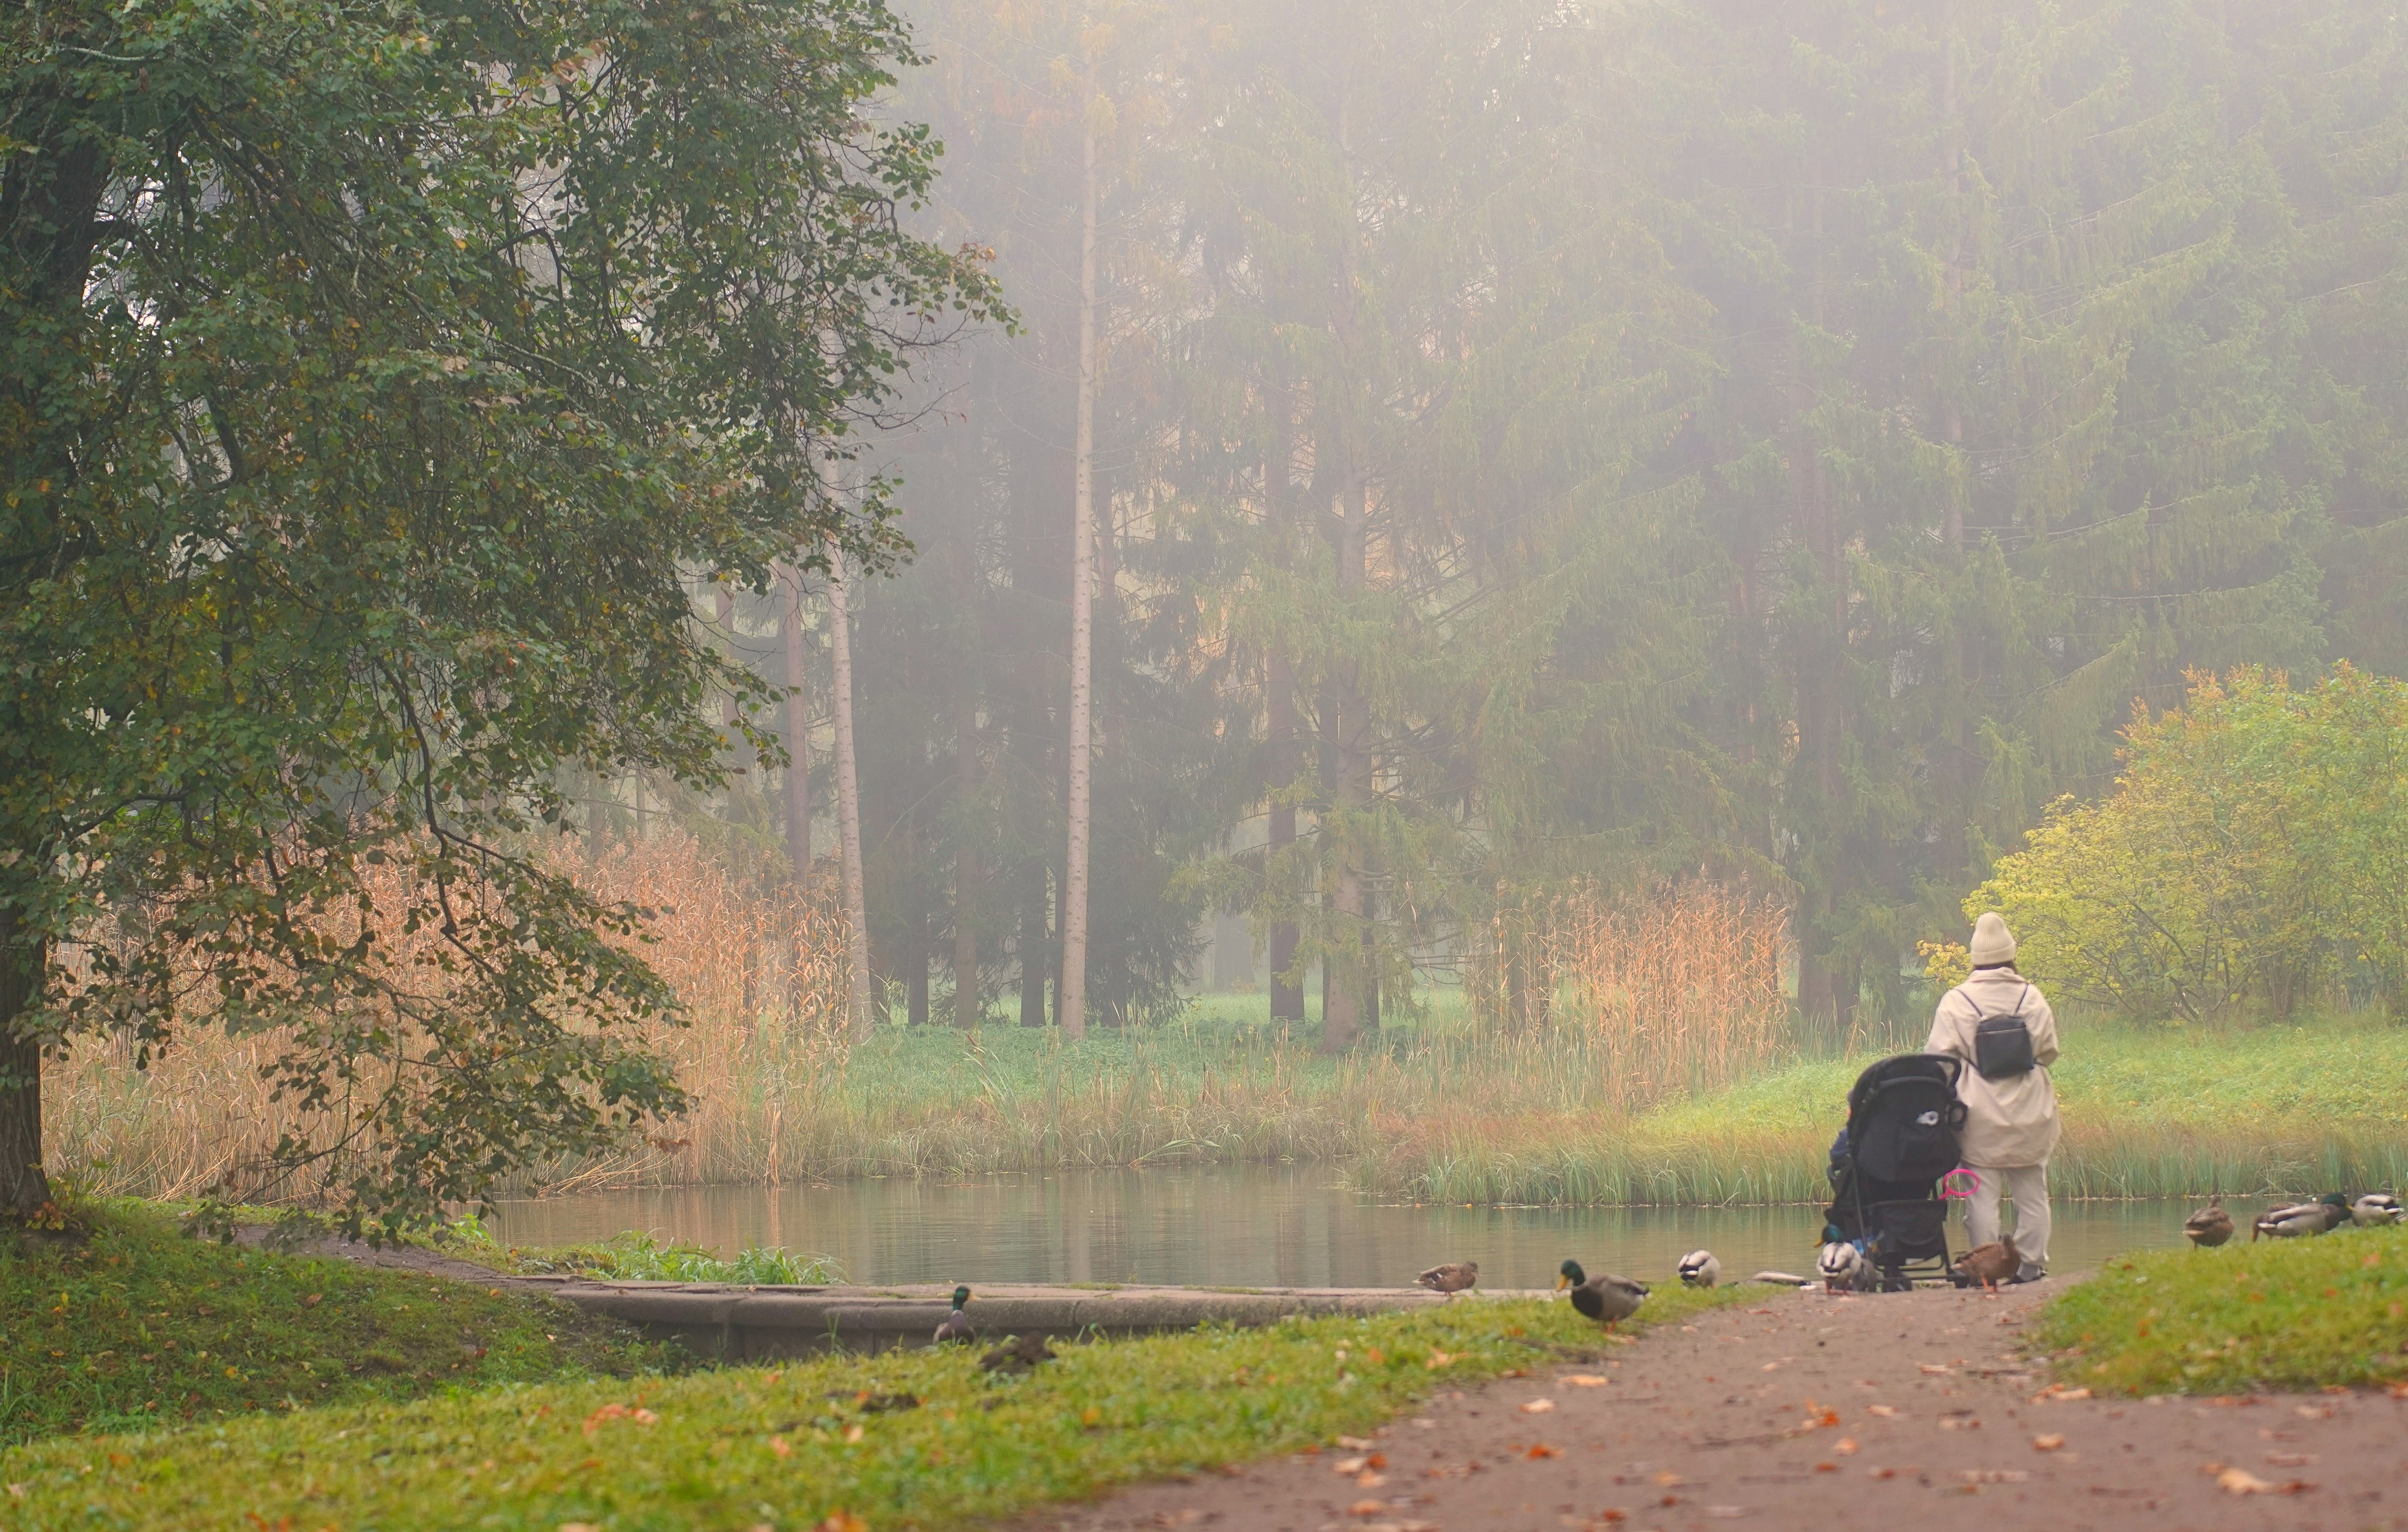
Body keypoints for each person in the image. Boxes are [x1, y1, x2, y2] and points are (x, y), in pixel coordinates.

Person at [1926, 911, 2059, 1282]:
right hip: (2032, 1112)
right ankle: (2031, 1266)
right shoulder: (2031, 996)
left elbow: (1940, 1063)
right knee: (2032, 1194)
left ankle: (1985, 1268)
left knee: (1980, 1198)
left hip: (1979, 1116)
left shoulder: (1956, 1001)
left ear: (1975, 956)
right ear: (2011, 952)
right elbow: (2048, 1052)